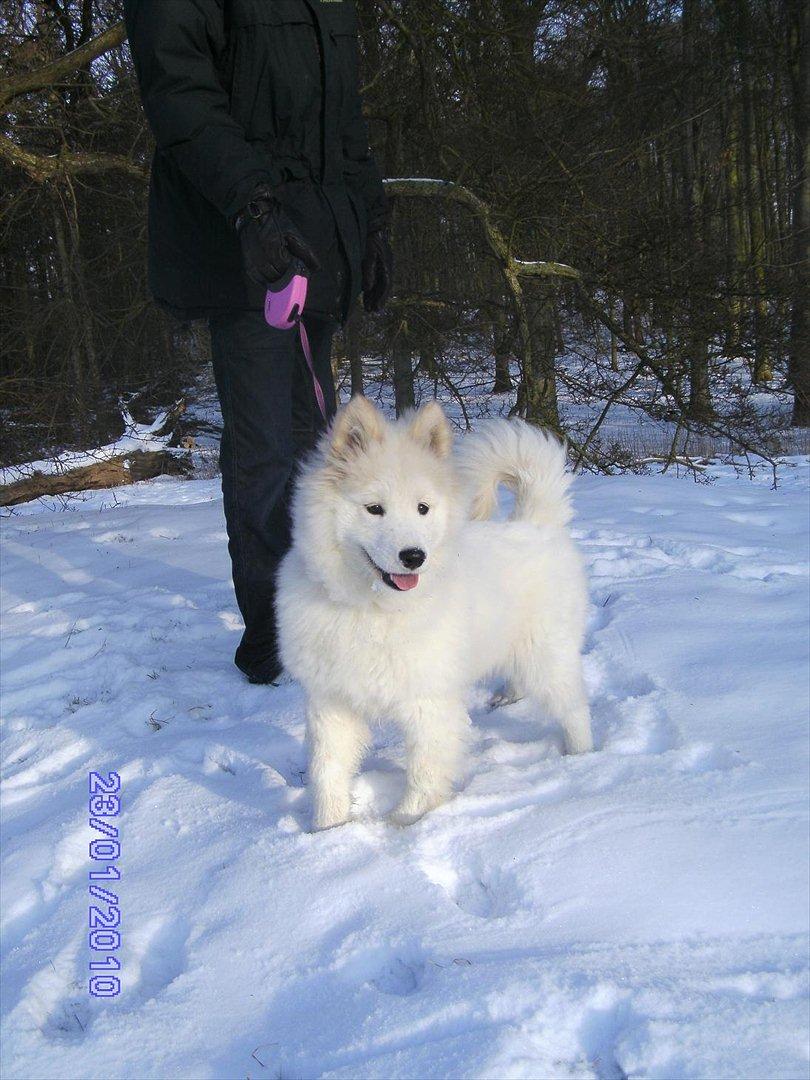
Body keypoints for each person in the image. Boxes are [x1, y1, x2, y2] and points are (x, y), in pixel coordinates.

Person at [124, 0, 392, 684]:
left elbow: (345, 124)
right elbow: (182, 97)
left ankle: (326, 613)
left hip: (318, 242)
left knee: (321, 444)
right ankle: (276, 635)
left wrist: (372, 222)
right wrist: (254, 205)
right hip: (247, 248)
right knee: (268, 448)